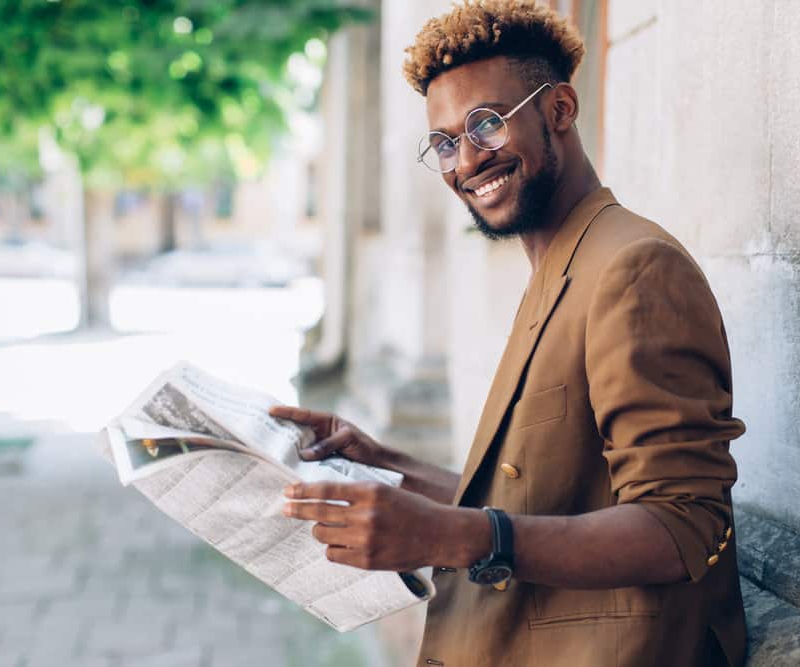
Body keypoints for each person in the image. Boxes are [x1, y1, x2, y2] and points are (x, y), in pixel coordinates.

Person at [271, 1, 746, 664]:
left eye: (486, 124)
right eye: (444, 142)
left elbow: (683, 525)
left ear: (559, 110)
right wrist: (386, 465)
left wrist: (463, 538)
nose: (466, 160)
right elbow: (538, 493)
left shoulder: (634, 268)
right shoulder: (559, 265)